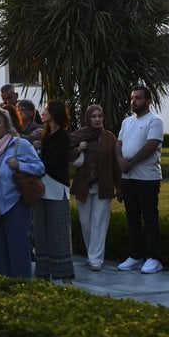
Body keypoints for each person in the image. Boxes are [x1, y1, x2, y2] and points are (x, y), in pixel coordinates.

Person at [0, 107, 45, 278]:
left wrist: (19, 166)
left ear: (7, 125)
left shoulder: (20, 145)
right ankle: (4, 289)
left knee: (18, 250)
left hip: (15, 205)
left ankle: (21, 289)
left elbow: (40, 168)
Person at [116, 86, 164, 274]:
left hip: (147, 178)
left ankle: (154, 257)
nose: (133, 101)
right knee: (132, 218)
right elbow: (118, 144)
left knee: (150, 217)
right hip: (128, 178)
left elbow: (151, 145)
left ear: (148, 101)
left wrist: (132, 162)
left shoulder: (155, 121)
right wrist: (121, 161)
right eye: (132, 98)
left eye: (138, 98)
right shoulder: (127, 121)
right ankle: (135, 255)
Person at [70, 103, 120, 271]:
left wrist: (119, 186)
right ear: (88, 118)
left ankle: (96, 259)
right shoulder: (79, 135)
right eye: (94, 116)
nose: (97, 119)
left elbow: (114, 163)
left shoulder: (109, 137)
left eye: (100, 116)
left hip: (103, 185)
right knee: (86, 222)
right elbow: (65, 154)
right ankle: (92, 253)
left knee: (99, 221)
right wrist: (78, 149)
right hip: (84, 185)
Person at [33, 100, 75, 282]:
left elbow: (57, 163)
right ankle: (43, 272)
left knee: (58, 232)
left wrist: (37, 160)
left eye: (46, 111)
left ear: (55, 113)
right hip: (42, 188)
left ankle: (64, 273)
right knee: (41, 231)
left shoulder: (63, 137)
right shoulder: (47, 135)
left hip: (56, 187)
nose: (43, 113)